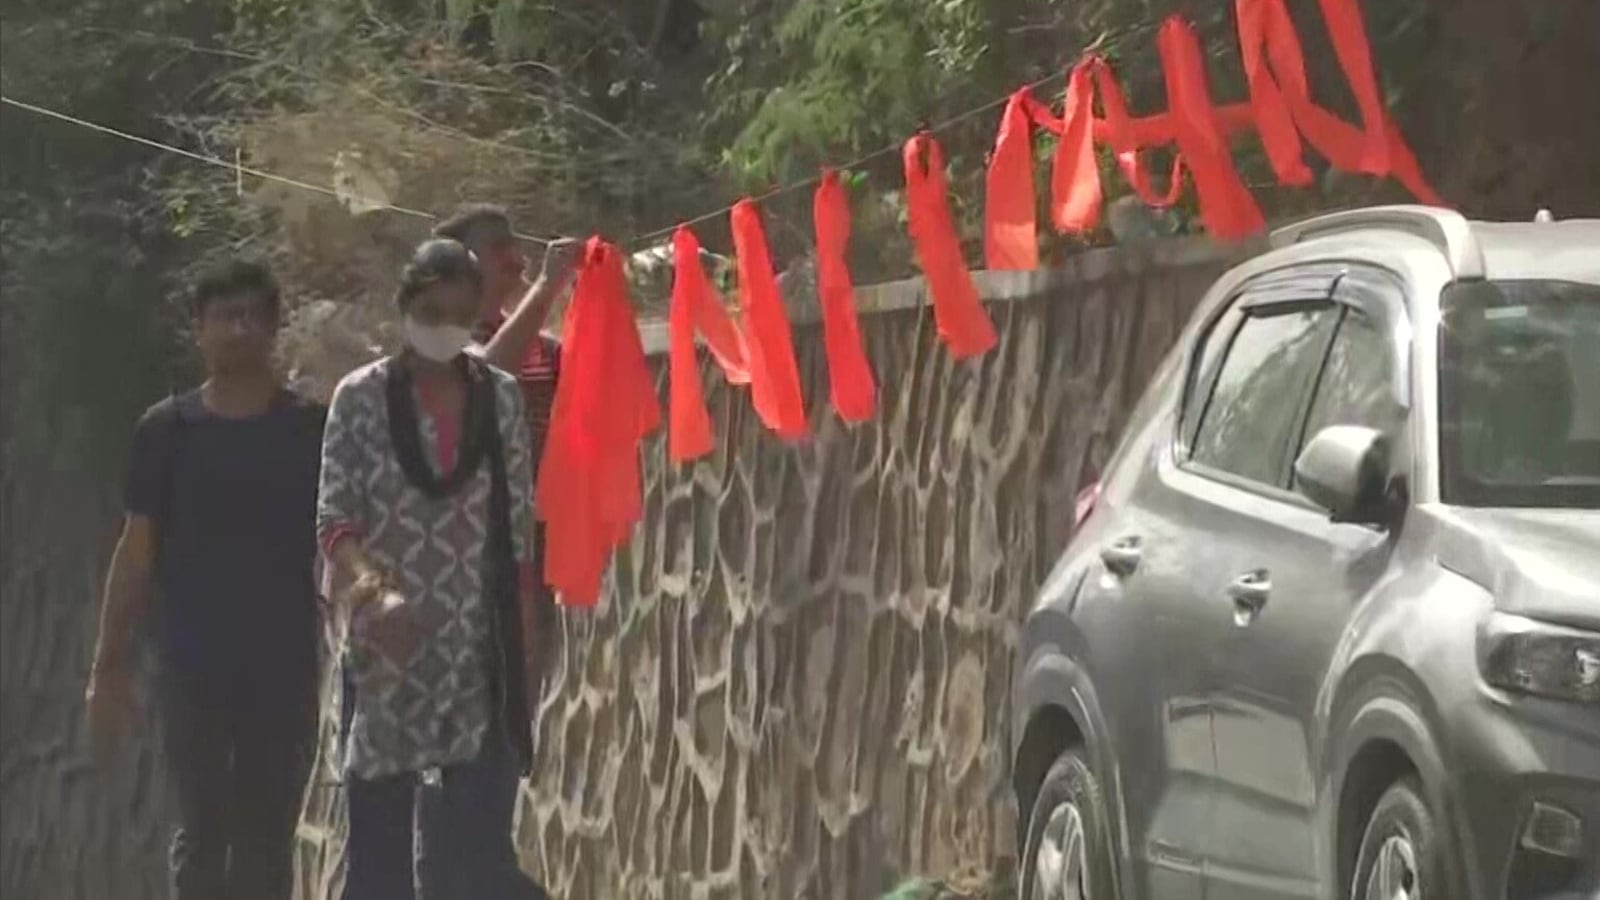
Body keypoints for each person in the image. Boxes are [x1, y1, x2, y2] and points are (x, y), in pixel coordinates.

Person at [85, 260, 325, 900]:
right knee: (203, 824)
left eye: (252, 316)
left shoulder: (310, 429)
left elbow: (342, 537)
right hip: (192, 666)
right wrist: (108, 665)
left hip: (285, 663)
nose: (239, 329)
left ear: (273, 329)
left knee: (268, 831)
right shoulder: (166, 431)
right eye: (225, 317)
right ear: (199, 330)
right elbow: (136, 554)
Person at [319, 238, 544, 899]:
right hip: (389, 646)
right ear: (404, 307)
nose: (442, 324)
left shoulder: (499, 399)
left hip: (478, 651)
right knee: (379, 864)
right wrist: (372, 592)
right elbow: (336, 520)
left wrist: (527, 635)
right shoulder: (358, 399)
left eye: (458, 311)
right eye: (429, 308)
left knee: (476, 861)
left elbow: (518, 529)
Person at [432, 205, 580, 718]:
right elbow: (484, 379)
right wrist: (548, 286)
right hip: (462, 546)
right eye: (500, 247)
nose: (516, 259)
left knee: (517, 701)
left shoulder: (546, 350)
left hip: (530, 544)